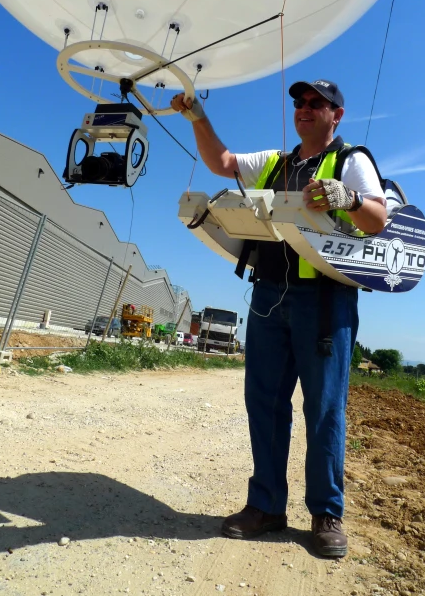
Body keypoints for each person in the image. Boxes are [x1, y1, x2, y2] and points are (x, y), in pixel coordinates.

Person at [171, 79, 386, 558]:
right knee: (265, 404)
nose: (304, 109)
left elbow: (378, 219)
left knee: (324, 410)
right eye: (299, 103)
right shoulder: (276, 163)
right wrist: (198, 118)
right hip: (269, 295)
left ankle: (326, 514)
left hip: (325, 301)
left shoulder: (352, 162)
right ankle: (266, 506)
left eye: (316, 103)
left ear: (336, 115)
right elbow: (224, 164)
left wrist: (347, 198)